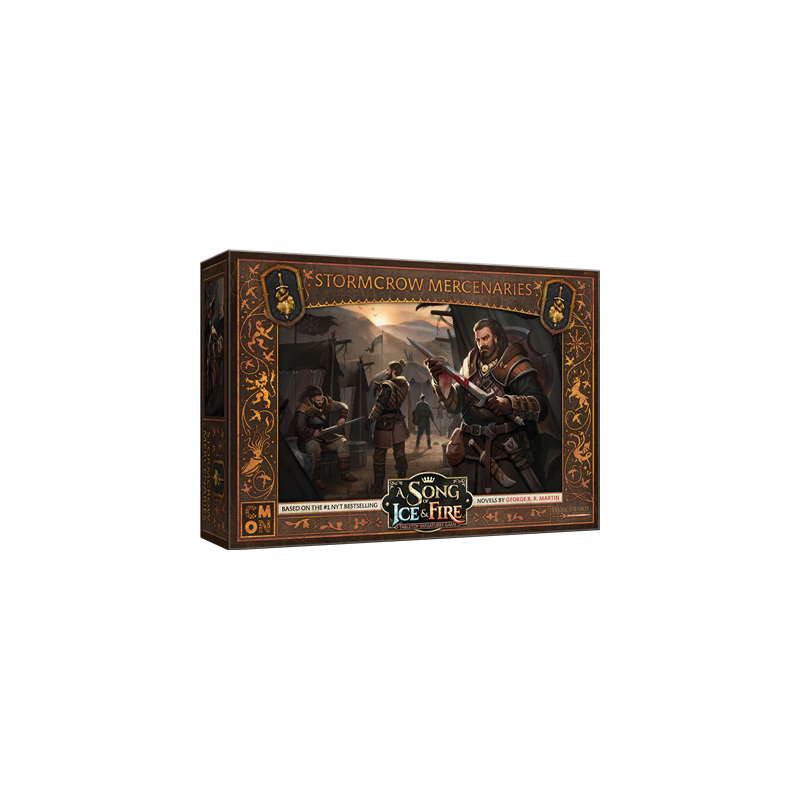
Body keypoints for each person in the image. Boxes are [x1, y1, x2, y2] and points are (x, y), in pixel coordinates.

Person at [425, 319, 550, 495]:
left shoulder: (514, 362)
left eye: (485, 338)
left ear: (496, 338)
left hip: (504, 452)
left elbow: (540, 405)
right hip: (468, 451)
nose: (481, 344)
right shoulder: (470, 362)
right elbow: (455, 406)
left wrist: (510, 404)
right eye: (478, 340)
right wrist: (441, 381)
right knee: (464, 503)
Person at [294, 385, 358, 492]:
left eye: (321, 399)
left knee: (342, 441)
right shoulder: (304, 407)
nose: (320, 402)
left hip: (325, 435)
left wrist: (342, 418)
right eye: (318, 400)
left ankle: (345, 473)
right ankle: (316, 479)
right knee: (314, 447)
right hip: (311, 437)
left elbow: (343, 406)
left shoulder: (325, 402)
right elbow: (300, 427)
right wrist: (313, 432)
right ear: (312, 399)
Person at [366, 360, 410, 496]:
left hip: (384, 424)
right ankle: (402, 486)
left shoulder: (388, 386)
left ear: (394, 372)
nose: (386, 372)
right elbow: (393, 396)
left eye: (388, 370)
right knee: (400, 455)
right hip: (398, 423)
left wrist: (370, 419)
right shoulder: (404, 384)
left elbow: (380, 405)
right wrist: (382, 387)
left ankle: (378, 487)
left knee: (379, 457)